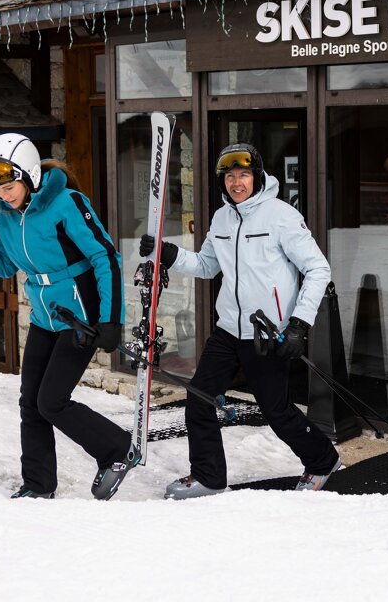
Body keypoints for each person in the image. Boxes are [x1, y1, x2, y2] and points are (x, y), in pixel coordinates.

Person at [0, 133, 133, 501]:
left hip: (81, 316)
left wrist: (111, 319)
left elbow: (106, 257)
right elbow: (5, 264)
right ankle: (38, 484)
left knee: (52, 401)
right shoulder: (6, 218)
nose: (4, 195)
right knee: (30, 401)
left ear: (29, 176)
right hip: (45, 317)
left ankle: (117, 448)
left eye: (10, 187)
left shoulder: (67, 204)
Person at [140, 143, 341, 499]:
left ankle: (323, 460)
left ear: (257, 176)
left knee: (275, 411)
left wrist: (298, 325)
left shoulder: (280, 216)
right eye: (230, 176)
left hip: (267, 333)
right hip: (228, 329)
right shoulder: (222, 218)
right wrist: (170, 254)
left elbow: (317, 268)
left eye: (244, 175)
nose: (237, 182)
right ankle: (209, 477)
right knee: (200, 399)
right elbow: (206, 265)